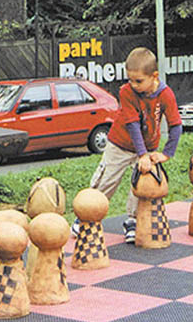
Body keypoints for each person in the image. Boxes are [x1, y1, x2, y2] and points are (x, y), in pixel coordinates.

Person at [74, 47, 182, 243]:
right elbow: (132, 125)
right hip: (120, 144)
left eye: (138, 81)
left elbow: (175, 125)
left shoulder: (166, 95)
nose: (133, 84)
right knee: (107, 179)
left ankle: (132, 220)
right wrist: (141, 154)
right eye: (130, 79)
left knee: (141, 183)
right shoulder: (126, 92)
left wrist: (167, 153)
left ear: (154, 76)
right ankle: (86, 213)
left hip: (148, 146)